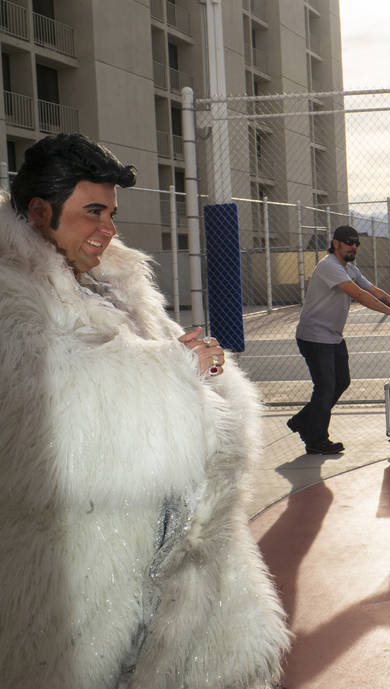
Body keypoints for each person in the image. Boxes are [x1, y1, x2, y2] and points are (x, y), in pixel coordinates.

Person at [0, 134, 289, 687]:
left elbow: (176, 371)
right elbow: (45, 411)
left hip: (179, 554)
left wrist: (198, 366)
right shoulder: (11, 294)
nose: (107, 228)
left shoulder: (119, 283)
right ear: (39, 211)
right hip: (78, 566)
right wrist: (172, 368)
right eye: (92, 212)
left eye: (110, 213)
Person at [287, 224, 390, 454]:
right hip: (315, 337)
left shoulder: (349, 268)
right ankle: (316, 439)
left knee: (341, 382)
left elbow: (372, 289)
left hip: (332, 337)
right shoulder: (329, 266)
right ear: (335, 244)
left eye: (356, 243)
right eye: (349, 242)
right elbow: (359, 294)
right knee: (325, 388)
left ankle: (303, 420)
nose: (353, 246)